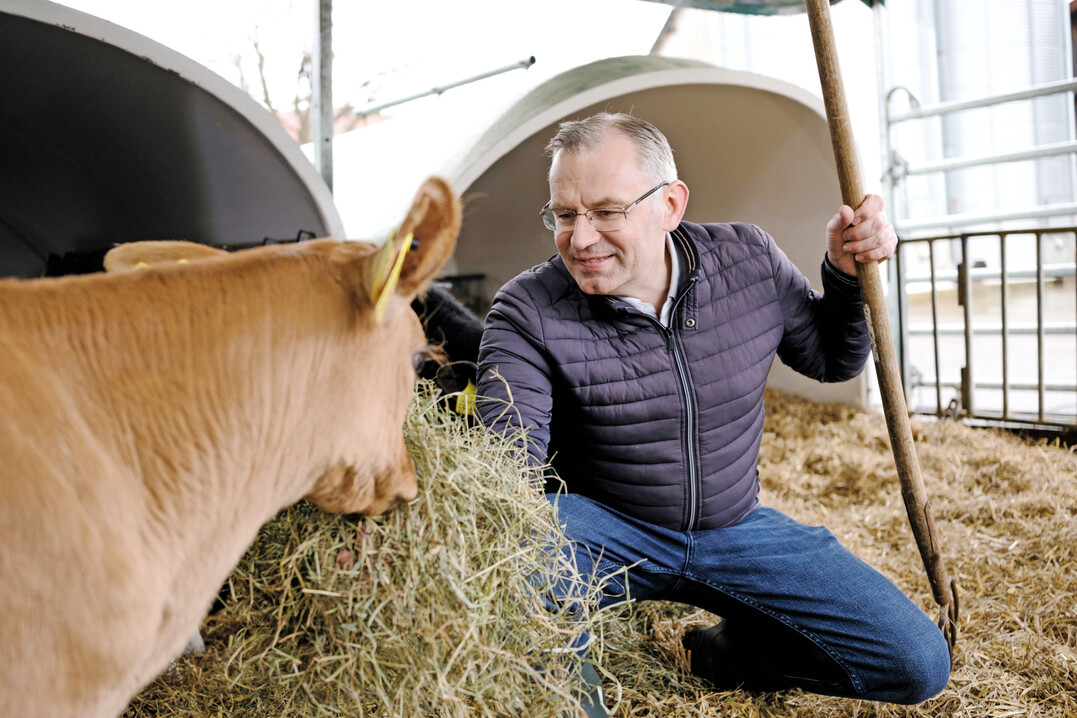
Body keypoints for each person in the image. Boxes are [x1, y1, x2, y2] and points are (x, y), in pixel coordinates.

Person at [475, 112, 951, 711]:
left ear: (670, 204)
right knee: (511, 560)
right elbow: (502, 471)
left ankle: (735, 651)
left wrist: (848, 280)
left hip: (735, 527)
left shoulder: (746, 260)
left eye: (606, 211)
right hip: (602, 529)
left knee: (918, 664)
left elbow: (832, 359)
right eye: (565, 215)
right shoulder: (526, 311)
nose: (581, 237)